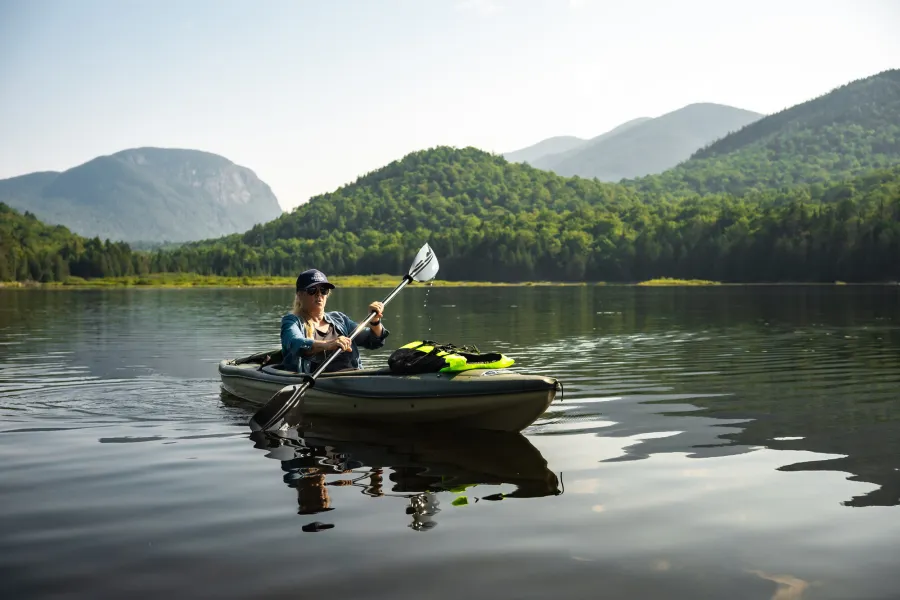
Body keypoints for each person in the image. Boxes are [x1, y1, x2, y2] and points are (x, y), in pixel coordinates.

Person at [280, 268, 389, 373]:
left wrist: (375, 321)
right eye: (312, 290)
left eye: (323, 290)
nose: (319, 295)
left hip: (352, 377)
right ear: (299, 295)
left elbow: (374, 340)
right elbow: (295, 343)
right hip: (319, 384)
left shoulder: (339, 319)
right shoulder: (291, 321)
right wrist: (328, 344)